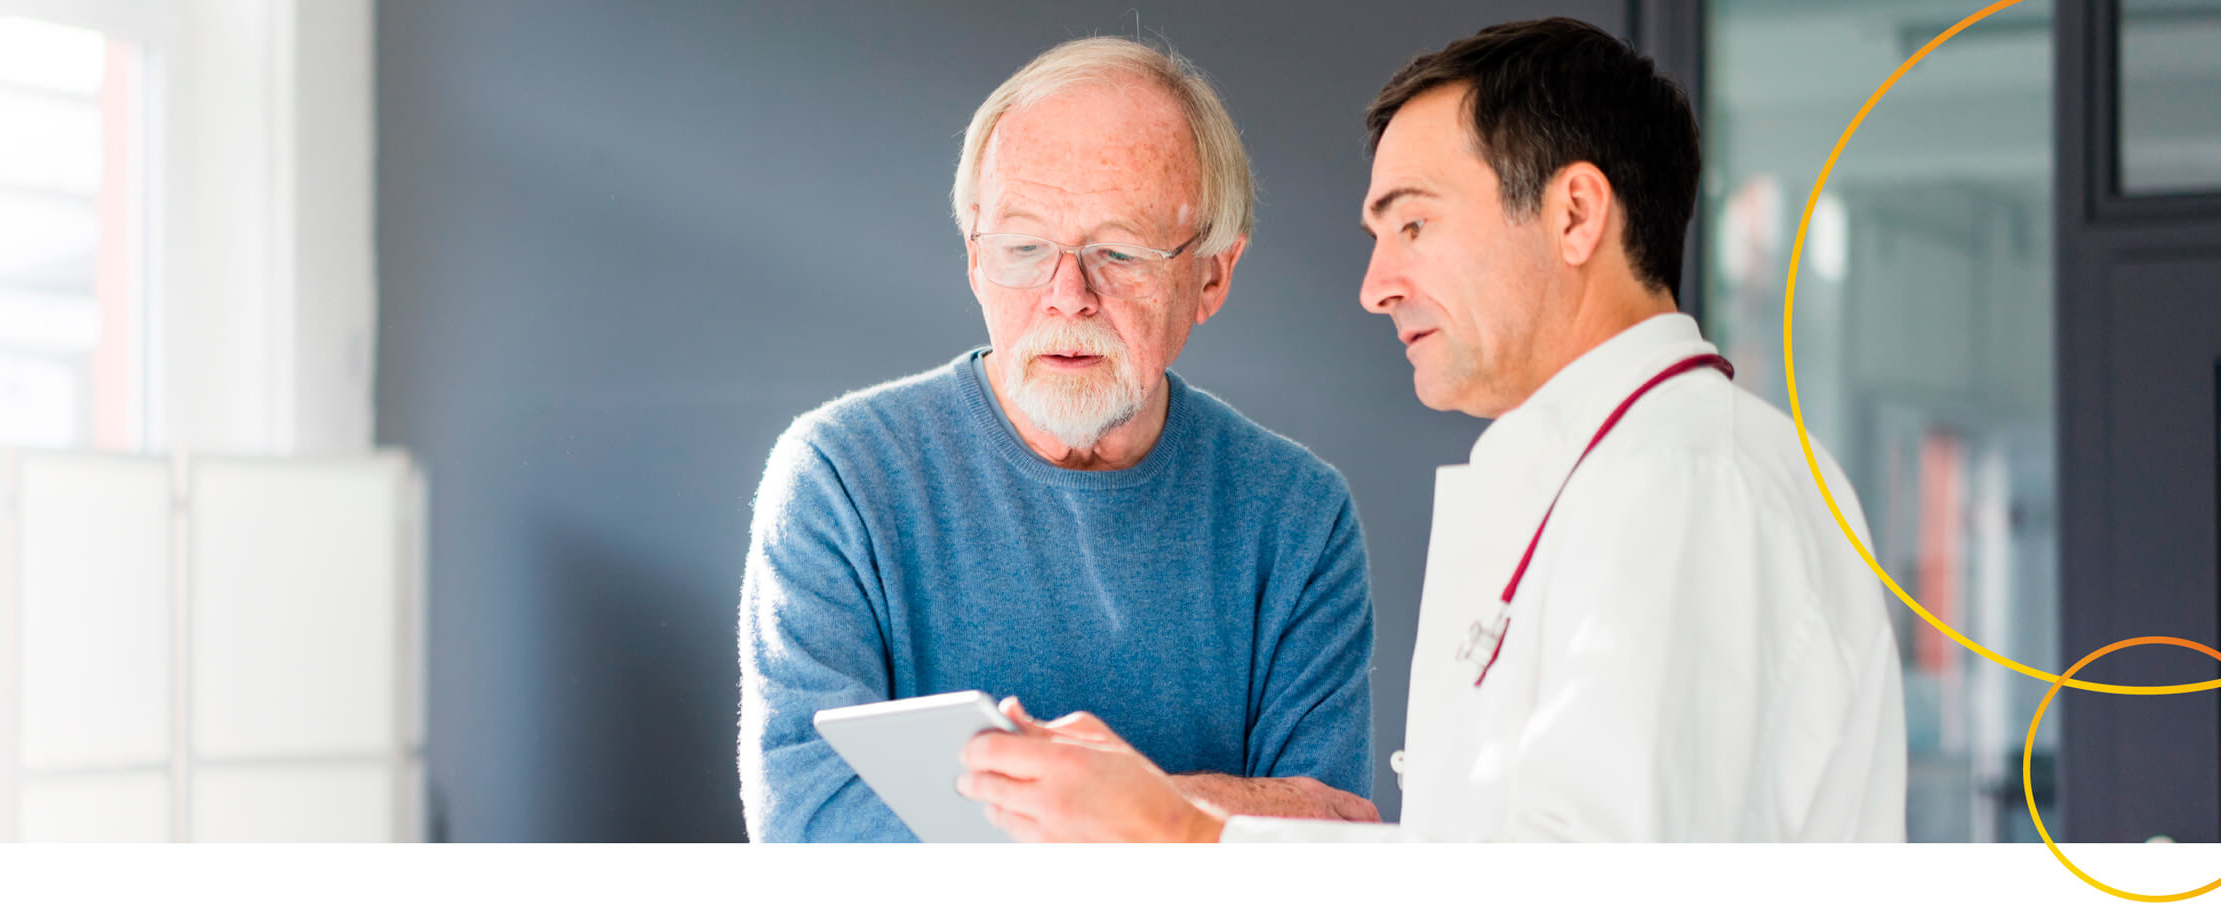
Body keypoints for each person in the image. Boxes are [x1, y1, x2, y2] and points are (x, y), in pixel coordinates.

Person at [957, 17, 1906, 843]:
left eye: (1412, 226)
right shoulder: (1607, 473)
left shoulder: (1691, 480)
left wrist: (1173, 829)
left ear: (1574, 214)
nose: (1376, 287)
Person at [737, 36, 1379, 843]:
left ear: (1211, 275)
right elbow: (810, 825)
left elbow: (1335, 840)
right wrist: (1158, 822)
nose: (1067, 294)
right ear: (976, 259)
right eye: (1025, 247)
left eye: (1118, 249)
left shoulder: (1298, 516)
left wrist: (1120, 807)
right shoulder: (840, 478)